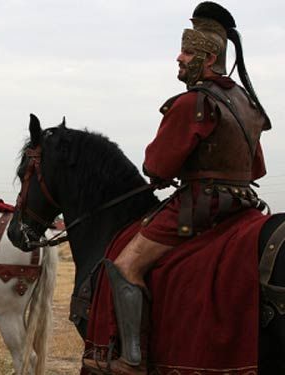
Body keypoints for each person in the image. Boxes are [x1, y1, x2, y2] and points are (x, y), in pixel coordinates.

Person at [83, 2, 271, 374]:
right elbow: (257, 168)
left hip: (200, 206)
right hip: (243, 205)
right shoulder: (246, 104)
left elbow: (156, 165)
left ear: (209, 56)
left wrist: (169, 172)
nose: (179, 58)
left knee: (125, 265)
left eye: (186, 52)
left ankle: (131, 359)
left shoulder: (194, 101)